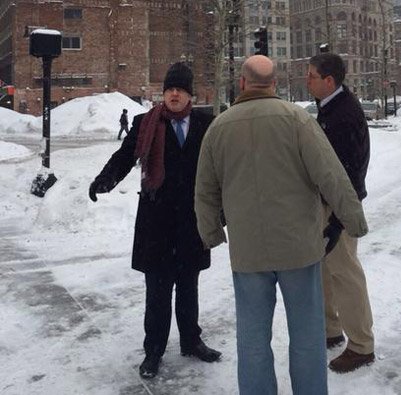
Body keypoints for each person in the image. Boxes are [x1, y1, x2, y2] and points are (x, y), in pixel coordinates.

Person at [195, 55, 368, 395]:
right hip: (299, 248)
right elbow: (330, 173)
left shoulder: (219, 126)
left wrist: (210, 232)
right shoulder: (297, 120)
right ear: (274, 84)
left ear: (242, 84)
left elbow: (205, 188)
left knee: (253, 337)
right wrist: (353, 219)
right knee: (306, 335)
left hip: (248, 251)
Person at [88, 62, 221, 379]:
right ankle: (154, 351)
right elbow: (124, 157)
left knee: (189, 287)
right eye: (170, 89)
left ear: (190, 95)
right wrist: (104, 180)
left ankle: (192, 340)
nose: (174, 94)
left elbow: (222, 168)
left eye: (180, 89)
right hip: (157, 221)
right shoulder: (144, 123)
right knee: (158, 293)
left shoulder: (207, 124)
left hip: (191, 220)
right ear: (164, 93)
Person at [306, 53, 375, 373]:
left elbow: (348, 170)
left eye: (311, 76)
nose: (307, 81)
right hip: (328, 203)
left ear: (328, 81)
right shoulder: (331, 107)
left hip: (341, 205)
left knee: (345, 273)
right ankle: (330, 330)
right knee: (326, 269)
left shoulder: (343, 113)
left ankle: (361, 345)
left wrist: (336, 220)